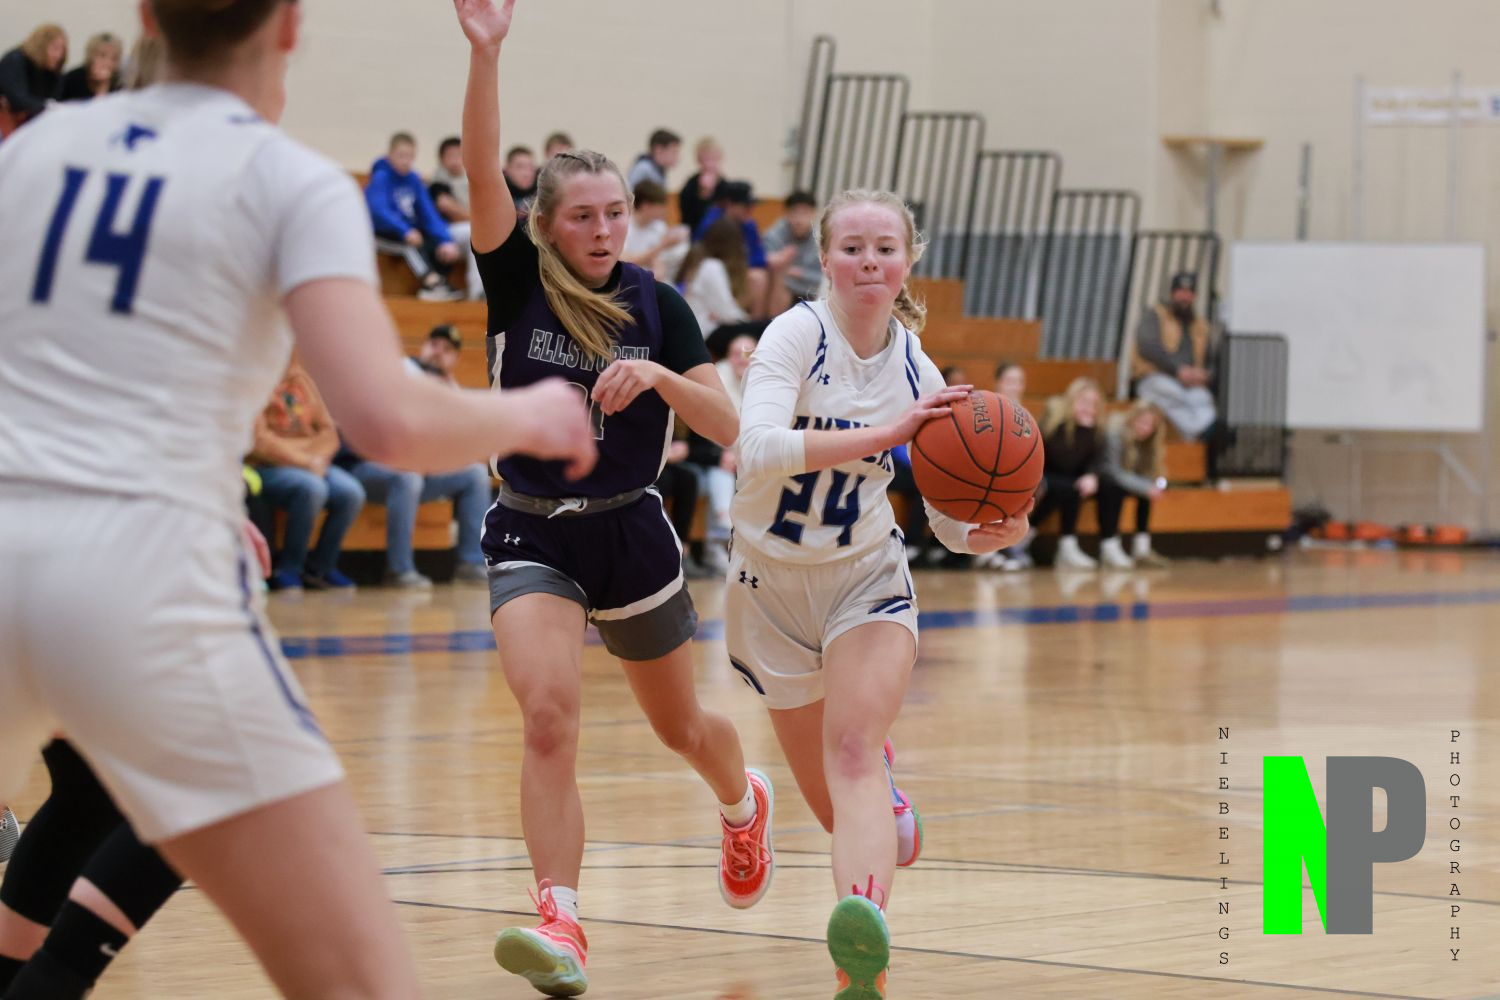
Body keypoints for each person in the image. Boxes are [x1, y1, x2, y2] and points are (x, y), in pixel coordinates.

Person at [0, 3, 595, 1000]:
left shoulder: (36, 148)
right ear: (289, 26)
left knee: (101, 796)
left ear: (145, 16)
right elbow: (387, 422)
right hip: (140, 577)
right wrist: (530, 412)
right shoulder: (286, 179)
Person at [454, 2, 772, 995]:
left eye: (614, 214)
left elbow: (727, 425)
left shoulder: (658, 303)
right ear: (546, 224)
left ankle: (742, 802)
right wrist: (488, 53)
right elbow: (480, 169)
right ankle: (563, 921)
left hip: (631, 532)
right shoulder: (517, 280)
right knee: (548, 717)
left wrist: (666, 379)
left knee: (682, 730)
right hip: (531, 533)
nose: (601, 230)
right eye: (581, 215)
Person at [727, 188, 1032, 998]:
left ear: (908, 261)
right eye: (853, 247)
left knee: (854, 750)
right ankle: (884, 806)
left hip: (866, 575)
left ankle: (862, 958)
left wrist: (993, 530)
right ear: (826, 258)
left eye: (885, 248)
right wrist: (888, 434)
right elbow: (754, 449)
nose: (869, 262)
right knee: (836, 806)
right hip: (769, 588)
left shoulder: (916, 368)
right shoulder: (796, 335)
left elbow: (945, 523)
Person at [341, 326, 494, 587]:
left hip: (420, 472)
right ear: (422, 347)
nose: (438, 352)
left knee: (476, 474)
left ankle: (471, 563)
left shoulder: (450, 388)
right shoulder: (399, 372)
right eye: (434, 344)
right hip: (371, 467)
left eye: (447, 350)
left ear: (456, 359)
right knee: (408, 477)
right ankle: (399, 570)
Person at [249, 358, 367, 591]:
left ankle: (321, 568)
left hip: (312, 463)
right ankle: (289, 568)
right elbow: (259, 441)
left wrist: (316, 459)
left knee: (351, 493)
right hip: (267, 466)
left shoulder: (302, 378)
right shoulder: (254, 378)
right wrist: (304, 460)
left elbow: (328, 432)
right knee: (312, 488)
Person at [365, 131, 464, 301]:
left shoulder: (414, 180)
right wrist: (404, 230)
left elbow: (428, 213)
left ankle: (437, 285)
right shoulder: (381, 177)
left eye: (410, 156)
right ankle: (431, 282)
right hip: (382, 234)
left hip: (407, 232)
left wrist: (445, 240)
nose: (405, 161)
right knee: (410, 244)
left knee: (437, 243)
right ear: (389, 155)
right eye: (401, 156)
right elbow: (378, 211)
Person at [1029, 377, 1105, 569]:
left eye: (1093, 404)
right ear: (1072, 400)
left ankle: (1065, 547)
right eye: (1084, 401)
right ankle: (1031, 536)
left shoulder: (1094, 429)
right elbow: (1063, 461)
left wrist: (1092, 475)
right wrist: (1083, 432)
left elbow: (1097, 461)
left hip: (1067, 481)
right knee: (1068, 488)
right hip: (1042, 475)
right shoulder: (1055, 418)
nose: (1089, 408)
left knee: (1075, 488)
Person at [1133, 271, 1217, 440]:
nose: (1185, 297)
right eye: (1181, 291)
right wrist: (1178, 370)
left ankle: (1194, 438)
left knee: (1203, 399)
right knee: (1170, 392)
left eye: (1189, 292)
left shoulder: (1200, 324)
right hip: (1156, 378)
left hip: (1189, 385)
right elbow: (1148, 347)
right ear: (1172, 293)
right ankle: (1193, 438)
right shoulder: (1156, 315)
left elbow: (1210, 360)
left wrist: (1203, 375)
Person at [1098, 400, 1170, 568]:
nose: (1146, 428)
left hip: (1126, 480)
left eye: (1151, 425)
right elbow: (1113, 472)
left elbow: (1150, 472)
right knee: (1114, 489)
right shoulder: (1115, 434)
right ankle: (1110, 546)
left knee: (1146, 493)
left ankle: (1142, 549)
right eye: (1143, 422)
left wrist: (1157, 484)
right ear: (1132, 418)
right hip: (1104, 479)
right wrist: (1146, 487)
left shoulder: (1150, 443)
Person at [977, 361, 1031, 570]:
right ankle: (987, 549)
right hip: (984, 471)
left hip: (1012, 474)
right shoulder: (986, 409)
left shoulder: (1026, 416)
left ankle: (1012, 544)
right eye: (1010, 381)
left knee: (1035, 486)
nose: (1015, 386)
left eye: (1019, 382)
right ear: (998, 383)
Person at [428, 135, 484, 299]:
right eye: (450, 156)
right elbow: (446, 206)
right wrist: (479, 221)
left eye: (459, 155)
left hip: (469, 230)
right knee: (475, 234)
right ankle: (477, 293)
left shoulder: (473, 179)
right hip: (446, 233)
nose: (455, 160)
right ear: (441, 159)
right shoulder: (438, 180)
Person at [761, 190, 822, 315]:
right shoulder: (774, 235)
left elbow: (824, 277)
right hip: (780, 287)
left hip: (810, 289)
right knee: (779, 279)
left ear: (813, 214)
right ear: (787, 214)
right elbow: (764, 262)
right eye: (795, 213)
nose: (799, 219)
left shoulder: (821, 239)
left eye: (804, 213)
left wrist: (800, 273)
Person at [0, 25, 66, 127]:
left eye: (62, 50)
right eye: (55, 48)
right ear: (41, 46)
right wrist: (46, 106)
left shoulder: (52, 72)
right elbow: (16, 99)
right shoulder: (15, 60)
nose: (58, 55)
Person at [621, 179, 688, 278]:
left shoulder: (658, 226)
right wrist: (663, 245)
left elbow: (658, 262)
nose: (664, 211)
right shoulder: (624, 225)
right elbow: (626, 261)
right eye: (660, 206)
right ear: (646, 206)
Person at [677, 136, 724, 235]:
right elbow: (686, 219)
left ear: (720, 158)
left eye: (713, 159)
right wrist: (703, 196)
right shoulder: (690, 186)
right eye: (705, 159)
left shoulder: (726, 186)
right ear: (698, 160)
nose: (709, 164)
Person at [59, 33, 123, 102]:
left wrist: (103, 85)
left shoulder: (118, 85)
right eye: (102, 55)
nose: (108, 62)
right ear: (91, 55)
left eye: (114, 58)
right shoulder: (73, 79)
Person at [626, 126, 681, 192]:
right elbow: (630, 194)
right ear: (658, 150)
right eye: (674, 152)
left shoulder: (659, 170)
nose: (678, 157)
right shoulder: (643, 169)